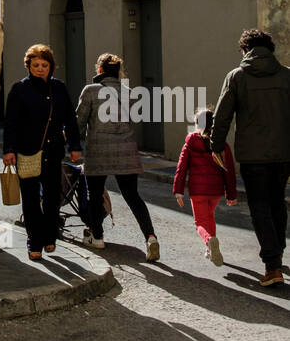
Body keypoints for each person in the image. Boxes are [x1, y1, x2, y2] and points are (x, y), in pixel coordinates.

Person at [211, 28, 290, 287]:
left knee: (259, 205)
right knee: (277, 201)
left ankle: (272, 265)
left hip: (253, 155)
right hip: (283, 153)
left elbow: (222, 115)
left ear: (245, 50)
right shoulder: (286, 75)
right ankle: (276, 252)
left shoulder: (237, 76)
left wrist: (216, 146)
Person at [75, 52, 160, 261]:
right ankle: (150, 236)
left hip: (99, 151)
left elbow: (79, 120)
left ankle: (98, 236)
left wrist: (72, 142)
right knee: (133, 196)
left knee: (94, 195)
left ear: (100, 70)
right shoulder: (130, 93)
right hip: (126, 151)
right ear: (119, 72)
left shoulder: (91, 90)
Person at [2, 44, 82, 260]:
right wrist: (9, 150)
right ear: (28, 66)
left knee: (52, 197)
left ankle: (50, 236)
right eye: (35, 65)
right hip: (27, 151)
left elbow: (70, 120)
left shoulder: (59, 88)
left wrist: (75, 146)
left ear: (50, 66)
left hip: (53, 150)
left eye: (44, 65)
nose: (40, 68)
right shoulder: (19, 89)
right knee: (29, 198)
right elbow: (11, 122)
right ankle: (33, 240)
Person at [173, 108, 238, 265]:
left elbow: (181, 168)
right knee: (209, 217)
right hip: (215, 191)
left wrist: (178, 191)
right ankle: (211, 249)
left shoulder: (189, 143)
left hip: (198, 191)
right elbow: (229, 171)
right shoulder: (221, 145)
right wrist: (231, 194)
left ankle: (209, 241)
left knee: (200, 223)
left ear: (197, 124)